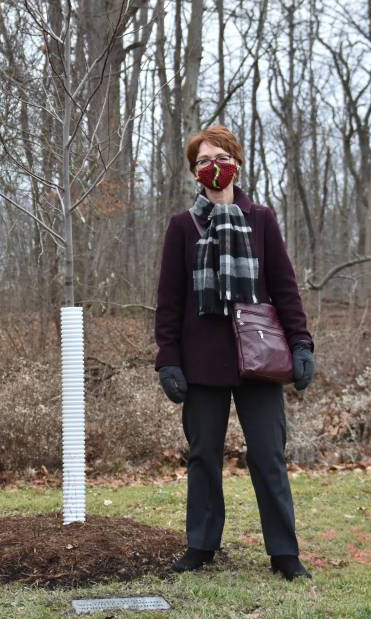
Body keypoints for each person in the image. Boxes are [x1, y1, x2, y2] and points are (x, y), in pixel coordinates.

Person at [154, 125, 315, 580]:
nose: (212, 166)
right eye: (202, 161)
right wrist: (167, 359)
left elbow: (286, 289)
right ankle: (201, 546)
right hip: (201, 363)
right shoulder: (183, 227)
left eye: (219, 157)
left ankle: (284, 553)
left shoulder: (261, 219)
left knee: (268, 454)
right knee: (204, 455)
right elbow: (169, 301)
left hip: (259, 359)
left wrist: (301, 343)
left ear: (236, 163)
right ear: (195, 173)